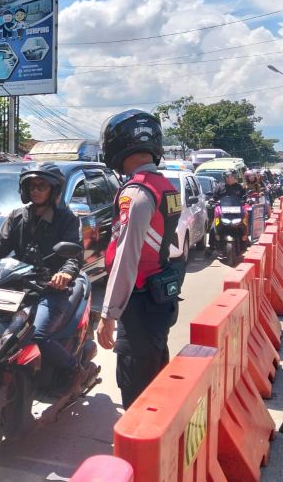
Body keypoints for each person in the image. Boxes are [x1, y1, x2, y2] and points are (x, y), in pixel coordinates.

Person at [0, 162, 86, 391]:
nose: (36, 190)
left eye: (42, 186)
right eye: (32, 186)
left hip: (50, 288)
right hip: (19, 284)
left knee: (39, 334)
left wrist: (64, 273)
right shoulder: (17, 217)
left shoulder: (67, 219)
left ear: (53, 189)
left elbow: (74, 256)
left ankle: (73, 368)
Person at [96, 110, 183, 409]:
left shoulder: (137, 192)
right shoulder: (167, 188)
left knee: (135, 387)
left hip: (140, 303)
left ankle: (139, 451)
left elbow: (126, 257)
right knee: (156, 370)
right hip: (161, 298)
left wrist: (108, 314)